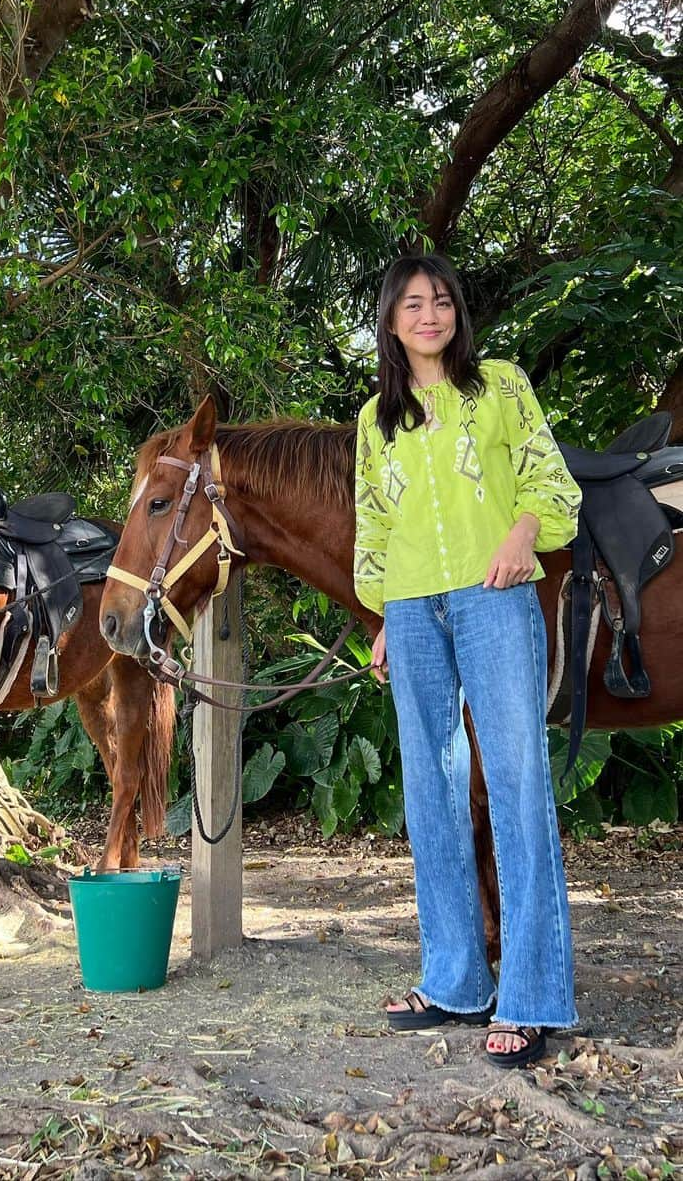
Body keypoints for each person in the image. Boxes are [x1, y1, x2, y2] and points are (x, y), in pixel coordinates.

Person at [353, 253, 582, 1068]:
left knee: (518, 784)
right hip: (411, 611)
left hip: (492, 597)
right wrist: (383, 615)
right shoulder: (373, 418)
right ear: (389, 318)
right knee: (431, 789)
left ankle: (531, 994)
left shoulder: (502, 385)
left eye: (441, 300)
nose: (428, 314)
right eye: (412, 303)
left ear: (456, 313)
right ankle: (454, 976)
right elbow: (373, 526)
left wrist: (523, 535)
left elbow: (552, 487)